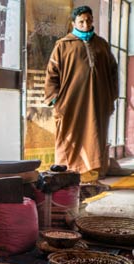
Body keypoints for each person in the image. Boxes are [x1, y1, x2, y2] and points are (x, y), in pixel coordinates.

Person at [44, 5, 118, 182]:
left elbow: (113, 72)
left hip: (98, 102)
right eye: (81, 21)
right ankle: (67, 177)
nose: (85, 24)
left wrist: (111, 97)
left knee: (95, 136)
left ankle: (91, 177)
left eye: (88, 20)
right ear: (73, 23)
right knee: (69, 137)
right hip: (71, 103)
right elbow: (52, 73)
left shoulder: (101, 44)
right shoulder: (63, 45)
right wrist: (55, 99)